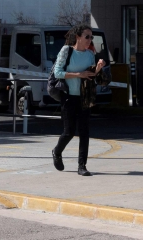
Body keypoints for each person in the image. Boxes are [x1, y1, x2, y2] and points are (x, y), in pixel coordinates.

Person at [52, 24, 106, 177]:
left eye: (91, 37)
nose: (89, 40)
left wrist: (98, 68)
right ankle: (56, 152)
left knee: (84, 131)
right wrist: (78, 74)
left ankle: (82, 165)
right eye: (87, 36)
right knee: (69, 132)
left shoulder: (90, 54)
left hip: (84, 96)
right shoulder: (66, 51)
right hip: (68, 96)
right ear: (78, 37)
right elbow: (58, 73)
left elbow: (90, 75)